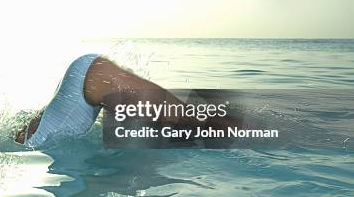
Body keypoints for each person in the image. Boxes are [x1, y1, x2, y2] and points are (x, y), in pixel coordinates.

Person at [15, 54, 238, 147]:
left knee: (202, 122)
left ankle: (234, 127)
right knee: (197, 122)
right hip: (85, 78)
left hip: (90, 77)